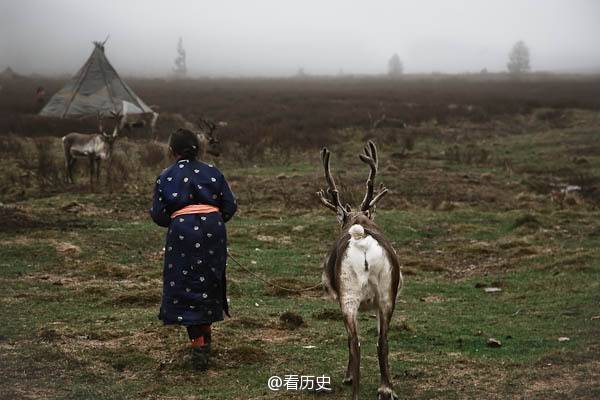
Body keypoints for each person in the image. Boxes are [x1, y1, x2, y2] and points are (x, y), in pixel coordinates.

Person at [150, 128, 237, 370]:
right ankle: (205, 340)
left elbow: (157, 215)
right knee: (209, 280)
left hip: (181, 233)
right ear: (198, 149)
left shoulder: (165, 175)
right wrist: (210, 220)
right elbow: (230, 206)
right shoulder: (213, 171)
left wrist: (182, 220)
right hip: (214, 231)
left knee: (185, 283)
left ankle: (198, 345)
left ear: (171, 151)